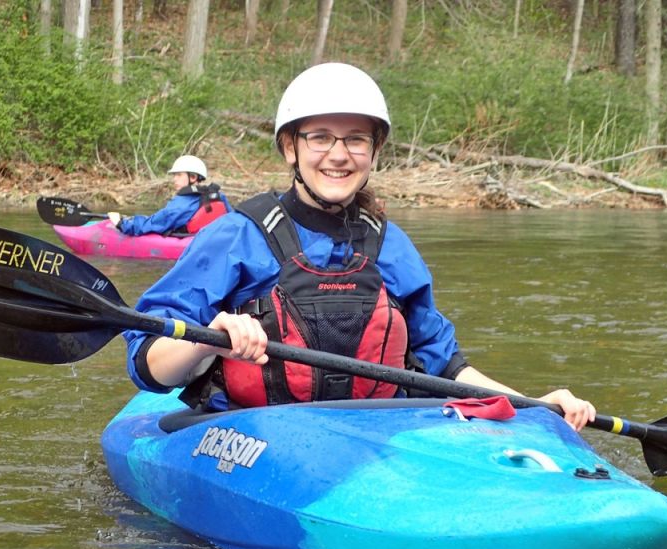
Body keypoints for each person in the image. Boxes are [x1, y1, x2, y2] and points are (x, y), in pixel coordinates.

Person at [122, 63, 596, 431]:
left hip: (373, 435)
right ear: (290, 147)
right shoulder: (236, 235)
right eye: (320, 137)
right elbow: (149, 365)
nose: (339, 154)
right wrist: (211, 334)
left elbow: (445, 365)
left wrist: (535, 406)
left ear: (374, 151)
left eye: (355, 139)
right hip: (251, 436)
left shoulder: (389, 244)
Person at [107, 155, 232, 236]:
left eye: (178, 175)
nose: (174, 180)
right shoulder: (218, 197)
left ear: (193, 177)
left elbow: (151, 224)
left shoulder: (180, 205)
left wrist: (121, 223)